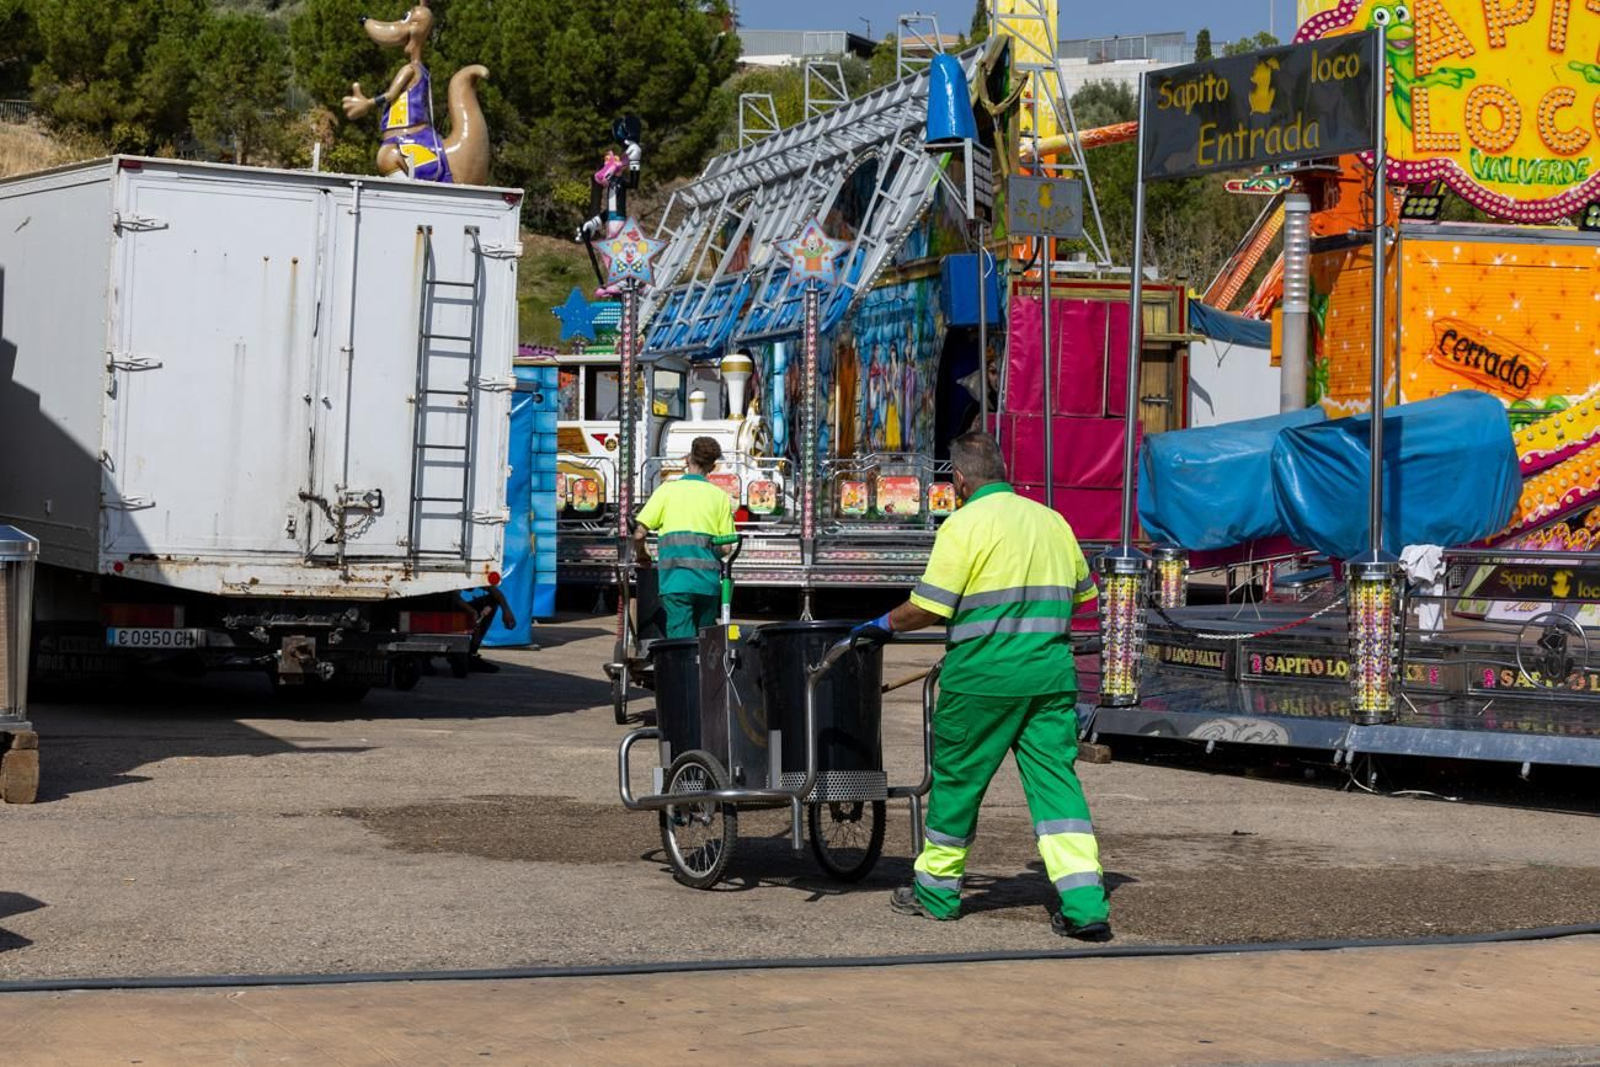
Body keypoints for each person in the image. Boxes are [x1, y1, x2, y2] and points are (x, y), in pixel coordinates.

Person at [851, 431, 1111, 940]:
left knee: (958, 787)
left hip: (983, 682)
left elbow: (929, 607)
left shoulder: (964, 524)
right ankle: (1085, 905)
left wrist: (881, 625)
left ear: (961, 480)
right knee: (1057, 788)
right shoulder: (1052, 521)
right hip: (1050, 679)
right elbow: (1083, 595)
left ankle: (937, 894)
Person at [633, 436, 737, 639]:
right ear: (713, 467)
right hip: (708, 585)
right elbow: (726, 548)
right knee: (707, 645)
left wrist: (642, 554)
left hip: (675, 583)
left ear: (687, 459)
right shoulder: (719, 497)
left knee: (682, 645)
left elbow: (639, 534)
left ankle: (683, 671)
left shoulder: (667, 491)